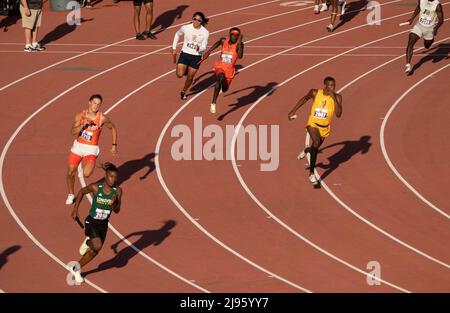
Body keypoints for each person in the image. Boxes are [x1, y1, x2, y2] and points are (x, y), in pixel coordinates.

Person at [70, 163, 122, 283]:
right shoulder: (95, 187)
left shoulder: (118, 191)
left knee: (95, 251)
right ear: (105, 175)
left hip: (103, 225)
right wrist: (75, 209)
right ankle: (89, 241)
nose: (113, 179)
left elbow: (117, 210)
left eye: (115, 177)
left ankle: (76, 268)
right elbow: (82, 191)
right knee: (97, 244)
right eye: (111, 176)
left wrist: (114, 203)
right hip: (92, 221)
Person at [288, 77, 343, 186]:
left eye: (334, 85)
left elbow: (338, 114)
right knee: (316, 143)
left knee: (315, 148)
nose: (333, 87)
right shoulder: (315, 92)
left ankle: (307, 149)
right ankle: (312, 173)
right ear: (325, 85)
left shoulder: (338, 97)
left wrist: (334, 99)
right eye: (330, 85)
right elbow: (304, 99)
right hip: (312, 123)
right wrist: (292, 111)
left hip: (325, 127)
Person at [66, 94, 118, 205]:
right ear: (89, 102)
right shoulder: (80, 115)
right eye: (94, 103)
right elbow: (72, 132)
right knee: (70, 172)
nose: (96, 106)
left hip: (91, 149)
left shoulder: (102, 118)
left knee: (87, 174)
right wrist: (82, 125)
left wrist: (114, 145)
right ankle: (70, 194)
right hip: (78, 146)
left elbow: (113, 127)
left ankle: (82, 166)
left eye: (98, 104)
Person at [200, 27, 244, 114]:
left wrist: (239, 43)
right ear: (229, 35)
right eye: (232, 35)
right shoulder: (224, 41)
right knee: (220, 78)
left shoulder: (239, 44)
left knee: (225, 88)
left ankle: (223, 87)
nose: (234, 37)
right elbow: (216, 45)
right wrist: (208, 52)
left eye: (236, 35)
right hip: (220, 66)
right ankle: (213, 103)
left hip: (229, 70)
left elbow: (240, 56)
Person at [172, 12, 210, 100]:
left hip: (196, 56)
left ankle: (183, 91)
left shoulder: (205, 32)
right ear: (192, 19)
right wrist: (174, 48)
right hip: (185, 53)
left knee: (190, 77)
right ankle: (185, 70)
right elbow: (177, 34)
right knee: (179, 74)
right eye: (195, 19)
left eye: (199, 20)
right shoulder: (185, 28)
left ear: (202, 21)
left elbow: (204, 46)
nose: (196, 21)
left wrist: (199, 49)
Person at [404, 0, 444, 74]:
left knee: (427, 46)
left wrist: (436, 28)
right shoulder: (422, 0)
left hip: (429, 29)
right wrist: (412, 19)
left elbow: (441, 20)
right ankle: (408, 65)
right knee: (410, 43)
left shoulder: (437, 5)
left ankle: (429, 40)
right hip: (419, 26)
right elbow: (418, 7)